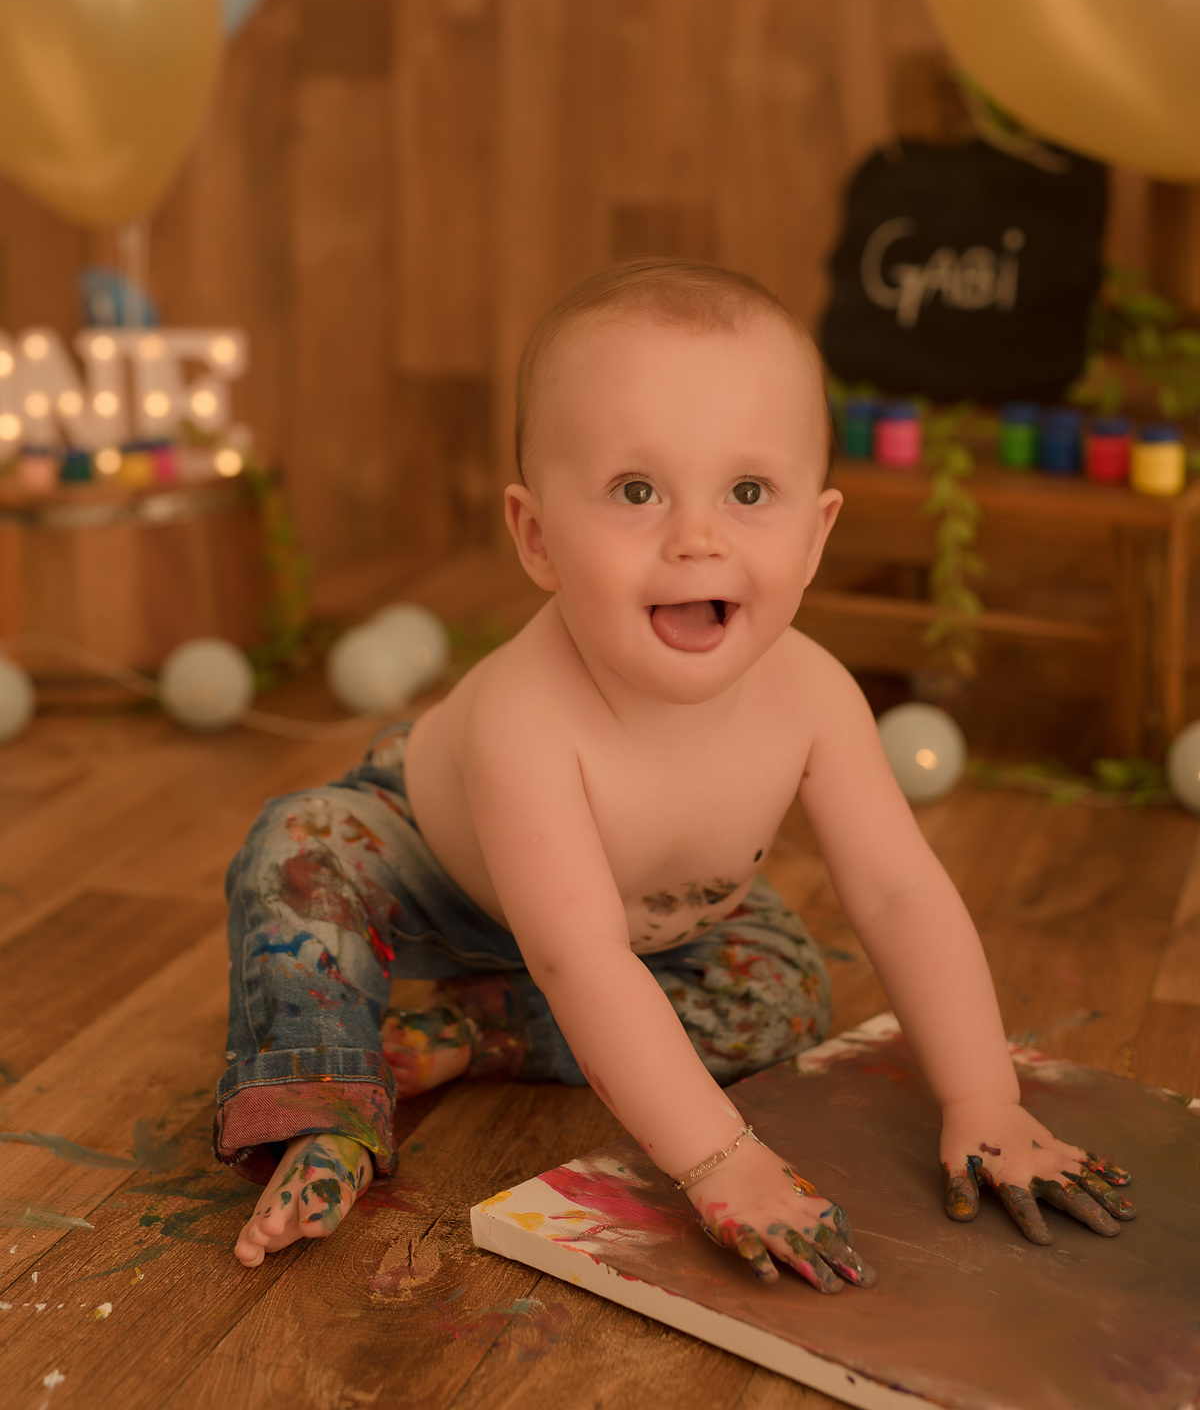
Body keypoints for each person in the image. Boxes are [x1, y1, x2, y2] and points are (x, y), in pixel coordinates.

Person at [217, 259, 1135, 1282]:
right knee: (297, 853)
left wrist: (983, 1099)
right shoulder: (527, 717)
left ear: (817, 532)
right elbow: (580, 957)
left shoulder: (816, 695)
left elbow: (900, 890)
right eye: (636, 490)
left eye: (749, 492)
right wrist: (721, 1158)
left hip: (654, 918)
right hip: (441, 873)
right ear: (537, 537)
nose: (696, 538)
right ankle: (327, 1105)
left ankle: (469, 1034)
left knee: (786, 996)